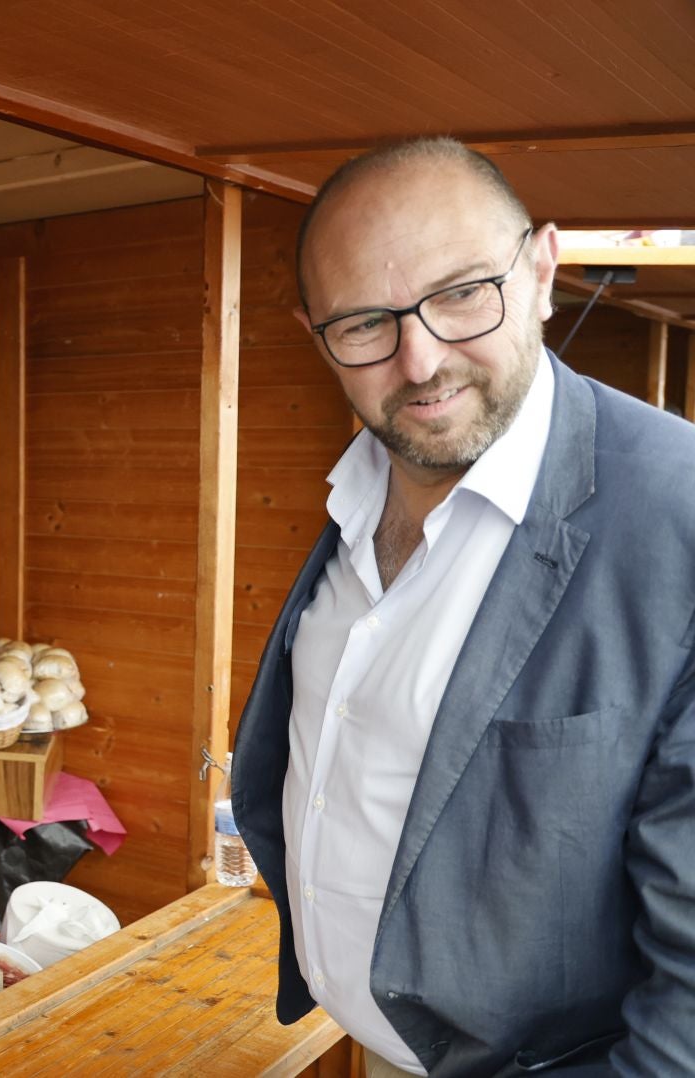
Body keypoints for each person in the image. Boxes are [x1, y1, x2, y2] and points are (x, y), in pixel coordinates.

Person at [231, 137, 695, 1076]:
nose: (419, 358)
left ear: (543, 269)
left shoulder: (679, 521)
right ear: (314, 331)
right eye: (364, 322)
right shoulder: (354, 493)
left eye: (460, 294)